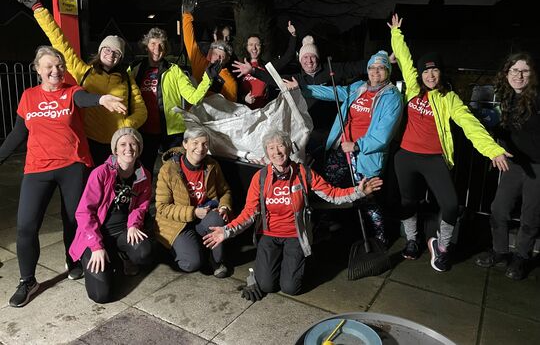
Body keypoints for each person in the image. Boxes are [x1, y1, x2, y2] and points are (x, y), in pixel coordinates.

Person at [0, 46, 127, 307]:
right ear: (37, 70)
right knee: (25, 226)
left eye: (59, 65)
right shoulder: (28, 96)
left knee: (72, 220)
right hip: (37, 168)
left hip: (73, 165)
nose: (55, 71)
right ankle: (28, 281)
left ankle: (73, 260)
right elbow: (17, 133)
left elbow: (84, 99)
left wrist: (101, 100)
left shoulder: (72, 92)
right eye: (49, 66)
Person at [388, 14, 511, 272]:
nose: (430, 74)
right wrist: (396, 34)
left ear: (441, 72)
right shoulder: (412, 87)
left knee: (451, 204)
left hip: (434, 158)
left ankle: (441, 247)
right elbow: (406, 59)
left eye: (434, 70)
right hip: (406, 156)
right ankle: (412, 240)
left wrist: (492, 150)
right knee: (408, 202)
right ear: (420, 74)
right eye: (426, 70)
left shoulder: (449, 98)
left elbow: (470, 124)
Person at [203, 130, 383, 299]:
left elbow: (332, 194)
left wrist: (359, 192)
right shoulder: (260, 177)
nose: (277, 151)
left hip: (295, 235)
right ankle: (264, 271)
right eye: (271, 148)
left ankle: (297, 261)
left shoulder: (303, 173)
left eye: (281, 145)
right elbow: (249, 213)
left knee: (291, 288)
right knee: (266, 286)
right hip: (269, 235)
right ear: (267, 153)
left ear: (288, 148)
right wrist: (226, 231)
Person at [14, 0, 148, 165]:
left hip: (117, 143)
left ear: (120, 58)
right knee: (91, 188)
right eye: (106, 49)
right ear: (100, 51)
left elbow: (141, 110)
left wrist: (126, 125)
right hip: (88, 141)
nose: (110, 53)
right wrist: (38, 8)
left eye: (116, 52)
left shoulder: (126, 79)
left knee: (113, 188)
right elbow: (59, 42)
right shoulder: (83, 71)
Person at [283, 50, 403, 245]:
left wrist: (357, 145)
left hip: (365, 153)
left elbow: (384, 134)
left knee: (367, 194)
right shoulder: (358, 88)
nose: (375, 72)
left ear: (388, 70)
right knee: (329, 187)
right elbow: (333, 92)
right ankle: (327, 225)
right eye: (372, 68)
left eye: (381, 68)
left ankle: (380, 237)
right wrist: (302, 88)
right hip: (342, 147)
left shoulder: (392, 97)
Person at [247, 35, 368, 167]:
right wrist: (253, 71)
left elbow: (354, 67)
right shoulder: (297, 78)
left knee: (329, 163)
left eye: (312, 57)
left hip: (332, 129)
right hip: (309, 131)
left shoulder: (330, 70)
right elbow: (275, 79)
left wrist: (378, 62)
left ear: (317, 58)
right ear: (300, 60)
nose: (309, 61)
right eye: (305, 57)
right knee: (310, 163)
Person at [68, 127, 153, 303]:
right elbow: (84, 212)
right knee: (101, 295)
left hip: (122, 232)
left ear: (139, 148)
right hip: (97, 236)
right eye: (122, 144)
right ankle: (109, 257)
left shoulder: (144, 175)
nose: (128, 149)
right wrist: (96, 247)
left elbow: (142, 205)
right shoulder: (101, 173)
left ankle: (122, 256)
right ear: (115, 150)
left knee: (144, 252)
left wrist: (134, 225)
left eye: (133, 144)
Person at [475, 52, 539, 280]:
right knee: (499, 209)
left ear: (532, 74)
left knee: (530, 216)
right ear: (507, 73)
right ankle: (500, 251)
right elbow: (509, 130)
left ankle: (521, 257)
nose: (518, 75)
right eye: (514, 70)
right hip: (514, 163)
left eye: (524, 71)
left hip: (537, 166)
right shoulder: (508, 97)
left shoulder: (537, 98)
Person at [130, 27, 219, 174]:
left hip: (172, 134)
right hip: (144, 130)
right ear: (146, 46)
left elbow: (193, 97)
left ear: (165, 49)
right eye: (153, 44)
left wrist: (208, 78)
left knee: (176, 172)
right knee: (142, 172)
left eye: (161, 45)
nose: (156, 49)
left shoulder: (174, 70)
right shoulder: (135, 69)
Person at [154, 127, 232, 278]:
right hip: (179, 223)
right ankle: (178, 248)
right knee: (191, 264)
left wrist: (224, 206)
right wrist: (193, 212)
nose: (200, 148)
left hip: (205, 217)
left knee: (218, 217)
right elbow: (162, 207)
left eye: (205, 144)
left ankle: (216, 260)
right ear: (185, 144)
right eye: (195, 143)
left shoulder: (212, 166)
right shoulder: (168, 170)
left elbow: (225, 191)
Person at [181, 0, 238, 102]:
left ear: (226, 60)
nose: (216, 58)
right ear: (208, 54)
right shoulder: (199, 62)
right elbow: (189, 41)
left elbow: (231, 109)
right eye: (214, 54)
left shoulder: (230, 82)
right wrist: (187, 15)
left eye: (221, 56)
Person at [231, 22, 297, 109]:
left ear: (262, 47)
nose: (254, 48)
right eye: (251, 45)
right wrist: (244, 99)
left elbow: (288, 57)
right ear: (246, 47)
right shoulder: (239, 66)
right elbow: (232, 93)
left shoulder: (268, 66)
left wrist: (293, 36)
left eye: (257, 45)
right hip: (244, 112)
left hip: (265, 113)